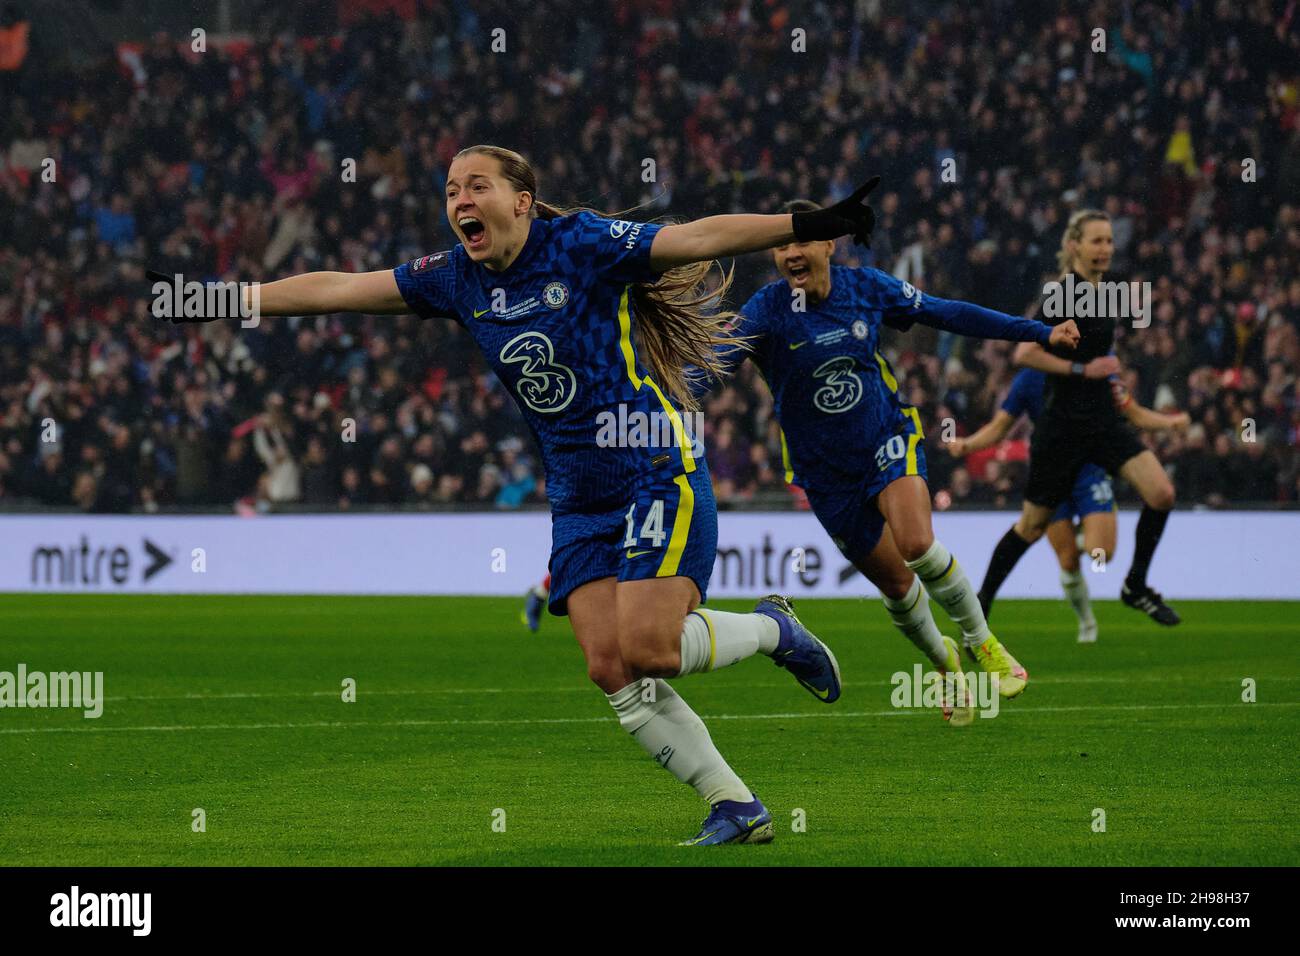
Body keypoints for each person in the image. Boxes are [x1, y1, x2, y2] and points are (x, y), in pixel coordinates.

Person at [152, 145, 882, 846]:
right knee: (608, 667)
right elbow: (341, 287)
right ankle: (735, 805)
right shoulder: (455, 278)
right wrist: (228, 298)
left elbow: (695, 238)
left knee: (651, 649)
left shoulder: (581, 244)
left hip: (650, 460)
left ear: (522, 202)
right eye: (449, 191)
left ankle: (772, 629)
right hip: (576, 489)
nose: (460, 200)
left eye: (476, 185)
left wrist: (804, 225)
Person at [694, 199, 1081, 723]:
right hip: (825, 477)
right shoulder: (767, 309)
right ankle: (945, 663)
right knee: (898, 587)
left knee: (917, 545)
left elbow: (948, 313)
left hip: (887, 439)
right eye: (782, 244)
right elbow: (711, 368)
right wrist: (655, 395)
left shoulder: (867, 288)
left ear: (828, 244)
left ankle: (981, 641)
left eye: (801, 241)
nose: (790, 253)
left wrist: (1039, 332)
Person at [978, 210, 1181, 625]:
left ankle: (1135, 586)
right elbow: (1026, 353)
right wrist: (1081, 370)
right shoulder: (1062, 293)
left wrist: (1109, 372)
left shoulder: (1106, 292)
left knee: (1162, 494)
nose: (1105, 248)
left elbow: (1096, 351)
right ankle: (979, 605)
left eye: (1109, 240)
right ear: (1074, 246)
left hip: (1103, 422)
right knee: (1031, 526)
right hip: (1063, 427)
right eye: (1096, 241)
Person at [950, 367, 1190, 641]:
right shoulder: (1031, 377)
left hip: (1090, 471)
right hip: (1052, 466)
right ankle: (1086, 622)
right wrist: (968, 445)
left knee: (1100, 553)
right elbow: (1000, 426)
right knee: (1064, 557)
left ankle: (1093, 544)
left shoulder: (1097, 367)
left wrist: (1169, 423)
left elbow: (1131, 411)